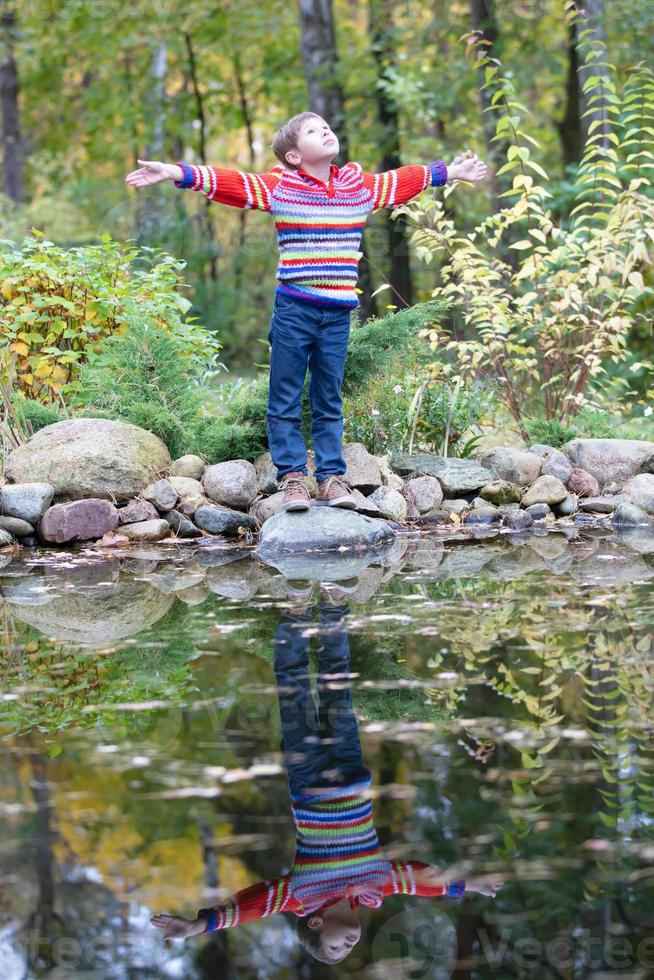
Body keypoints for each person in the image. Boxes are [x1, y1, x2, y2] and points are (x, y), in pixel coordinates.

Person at [125, 113, 488, 514]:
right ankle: (292, 478)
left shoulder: (358, 186)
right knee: (285, 397)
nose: (326, 131)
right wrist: (175, 171)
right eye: (313, 131)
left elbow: (402, 180)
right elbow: (230, 182)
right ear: (294, 156)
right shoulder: (281, 187)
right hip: (295, 308)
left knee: (328, 397)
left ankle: (331, 478)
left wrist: (452, 171)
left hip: (337, 313)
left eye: (327, 126)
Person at [151, 586, 503, 964]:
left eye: (335, 948)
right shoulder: (376, 886)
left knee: (294, 686)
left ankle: (296, 610)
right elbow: (423, 881)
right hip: (350, 768)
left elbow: (254, 906)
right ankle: (334, 606)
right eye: (346, 951)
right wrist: (469, 885)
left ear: (315, 925)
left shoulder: (301, 896)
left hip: (309, 776)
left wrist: (200, 926)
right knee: (337, 685)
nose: (348, 947)